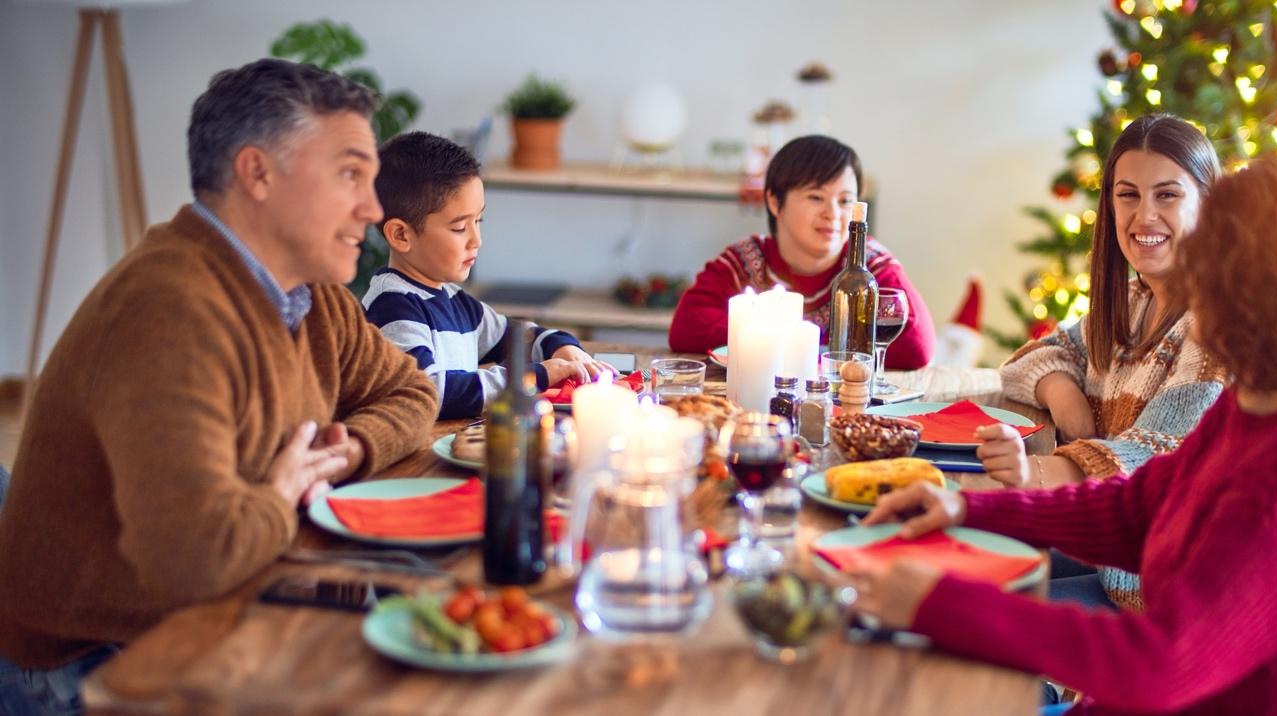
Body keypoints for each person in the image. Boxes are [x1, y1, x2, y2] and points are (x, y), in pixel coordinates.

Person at [855, 154, 1277, 714]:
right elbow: (1139, 509)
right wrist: (966, 509)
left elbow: (1161, 665)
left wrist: (939, 604)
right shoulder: (1265, 401)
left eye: (1212, 255)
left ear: (1267, 291)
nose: (1192, 269)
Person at [0, 59, 438, 714]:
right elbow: (195, 561)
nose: (373, 209)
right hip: (96, 663)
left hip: (218, 597)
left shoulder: (311, 294)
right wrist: (282, 491)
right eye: (350, 174)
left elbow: (412, 393)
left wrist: (351, 451)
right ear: (257, 173)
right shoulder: (169, 309)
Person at [981, 114, 1227, 610]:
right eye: (1128, 194)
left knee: (983, 606)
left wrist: (1033, 473)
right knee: (965, 562)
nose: (1144, 216)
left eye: (1168, 195)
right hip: (1113, 553)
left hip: (1165, 589)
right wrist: (1064, 395)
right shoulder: (1135, 302)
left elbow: (1152, 460)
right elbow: (1034, 357)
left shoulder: (1219, 325)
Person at [362, 131, 613, 420]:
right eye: (459, 228)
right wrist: (534, 376)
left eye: (478, 221)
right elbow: (431, 392)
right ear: (401, 234)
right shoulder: (393, 307)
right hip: (417, 462)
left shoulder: (455, 301)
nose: (476, 240)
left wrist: (563, 346)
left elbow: (519, 337)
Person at [668, 135, 936, 369]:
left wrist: (773, 340)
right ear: (774, 201)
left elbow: (916, 347)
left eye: (845, 201)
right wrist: (823, 342)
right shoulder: (746, 259)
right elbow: (687, 328)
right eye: (816, 197)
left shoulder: (869, 266)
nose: (832, 214)